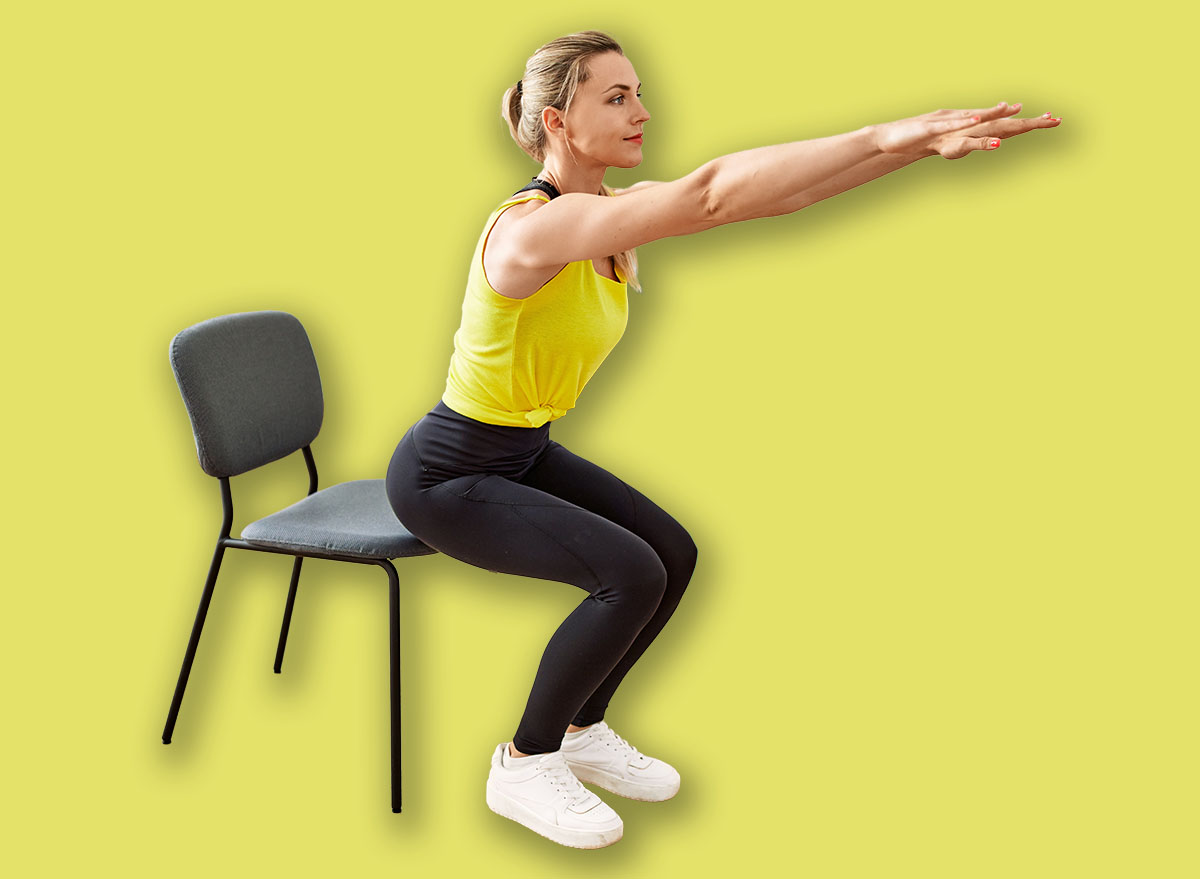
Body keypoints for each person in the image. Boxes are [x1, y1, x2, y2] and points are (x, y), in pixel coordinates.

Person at [385, 30, 1061, 849]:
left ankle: (580, 730)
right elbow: (711, 193)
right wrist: (889, 132)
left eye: (637, 93)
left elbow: (772, 198)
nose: (642, 111)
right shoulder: (535, 230)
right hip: (446, 474)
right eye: (616, 97)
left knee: (672, 550)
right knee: (629, 573)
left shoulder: (602, 219)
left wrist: (911, 148)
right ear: (558, 122)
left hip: (518, 450)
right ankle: (523, 761)